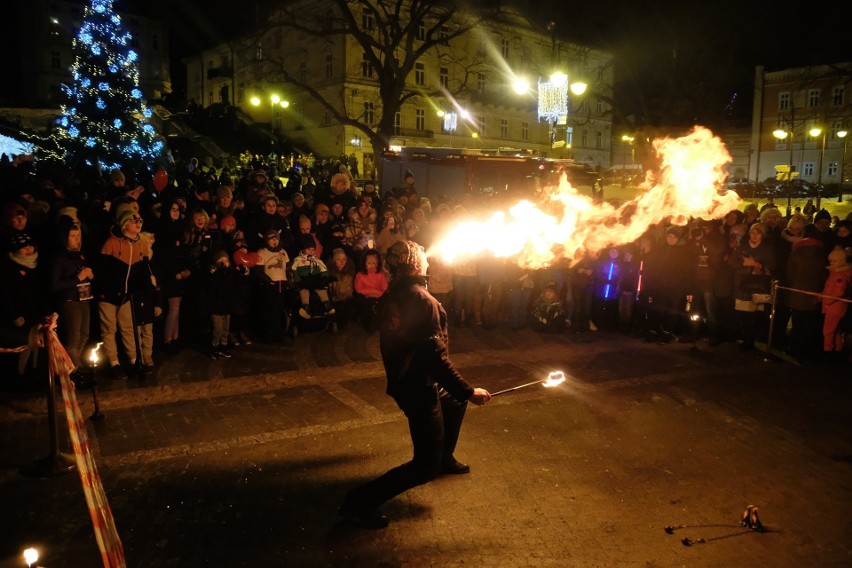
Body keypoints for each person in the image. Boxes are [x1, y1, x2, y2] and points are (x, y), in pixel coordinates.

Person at [339, 240, 492, 529]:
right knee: (424, 466)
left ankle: (444, 457)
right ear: (413, 264)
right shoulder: (422, 300)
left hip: (408, 379)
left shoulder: (396, 293)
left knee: (453, 401)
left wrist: (459, 394)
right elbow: (435, 358)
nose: (428, 259)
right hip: (418, 386)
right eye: (422, 256)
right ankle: (358, 503)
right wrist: (469, 391)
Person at [49, 218, 94, 378]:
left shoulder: (80, 254)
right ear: (64, 237)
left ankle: (75, 364)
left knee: (84, 334)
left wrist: (89, 275)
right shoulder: (59, 257)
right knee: (74, 336)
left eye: (78, 235)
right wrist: (78, 279)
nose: (77, 239)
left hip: (84, 298)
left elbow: (83, 275)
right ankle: (75, 370)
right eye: (73, 235)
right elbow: (54, 285)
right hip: (69, 301)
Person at [290, 234, 335, 318]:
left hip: (315, 280)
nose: (311, 252)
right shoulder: (298, 260)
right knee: (304, 292)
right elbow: (294, 270)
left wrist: (324, 278)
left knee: (321, 290)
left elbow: (323, 269)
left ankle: (327, 307)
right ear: (303, 249)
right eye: (308, 249)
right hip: (304, 281)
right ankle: (306, 309)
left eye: (313, 249)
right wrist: (297, 280)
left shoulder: (317, 260)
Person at [820, 246, 851, 363]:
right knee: (837, 331)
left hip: (834, 308)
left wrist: (826, 300)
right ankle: (838, 351)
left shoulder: (840, 276)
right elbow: (829, 289)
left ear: (841, 261)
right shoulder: (837, 273)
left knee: (828, 331)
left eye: (834, 261)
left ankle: (828, 353)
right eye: (830, 261)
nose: (831, 263)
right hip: (837, 307)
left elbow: (839, 291)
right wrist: (821, 295)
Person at [208, 250, 238, 359]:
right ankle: (214, 349)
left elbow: (234, 285)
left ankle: (223, 348)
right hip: (216, 307)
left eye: (226, 260)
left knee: (225, 330)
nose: (224, 262)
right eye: (221, 260)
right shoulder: (213, 273)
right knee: (218, 329)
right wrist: (216, 271)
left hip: (227, 306)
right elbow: (212, 285)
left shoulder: (230, 273)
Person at [353, 248, 388, 331]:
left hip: (378, 297)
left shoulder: (380, 275)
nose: (371, 265)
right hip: (365, 297)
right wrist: (371, 292)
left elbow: (384, 287)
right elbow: (358, 289)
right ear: (364, 264)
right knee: (365, 306)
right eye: (369, 263)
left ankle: (379, 323)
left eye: (374, 263)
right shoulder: (360, 275)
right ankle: (367, 323)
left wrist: (377, 293)